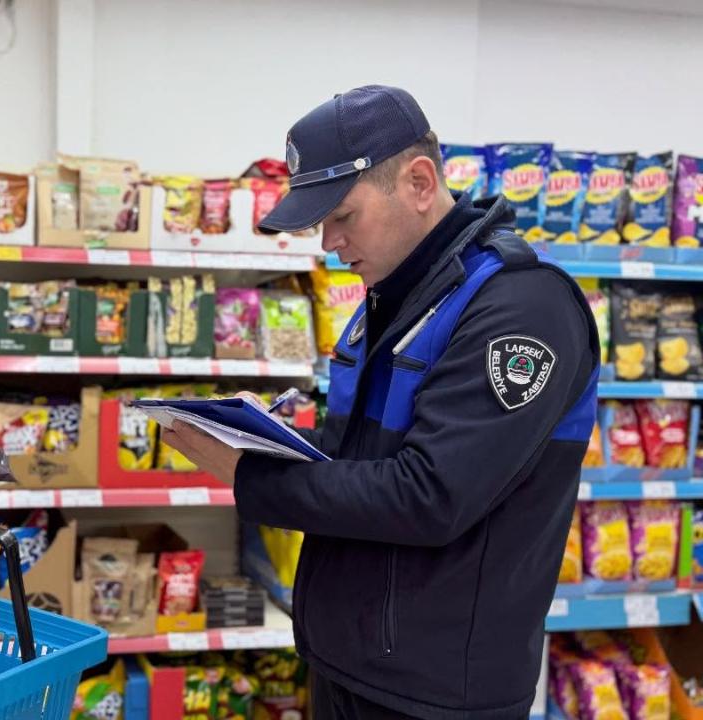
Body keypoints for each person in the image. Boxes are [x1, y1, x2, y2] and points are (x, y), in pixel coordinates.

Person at [162, 86, 598, 719]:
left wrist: (250, 476)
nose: (328, 242)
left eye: (343, 216)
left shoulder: (521, 309)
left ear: (419, 182)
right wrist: (258, 434)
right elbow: (359, 457)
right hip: (348, 664)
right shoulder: (396, 299)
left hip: (437, 696)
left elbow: (431, 496)